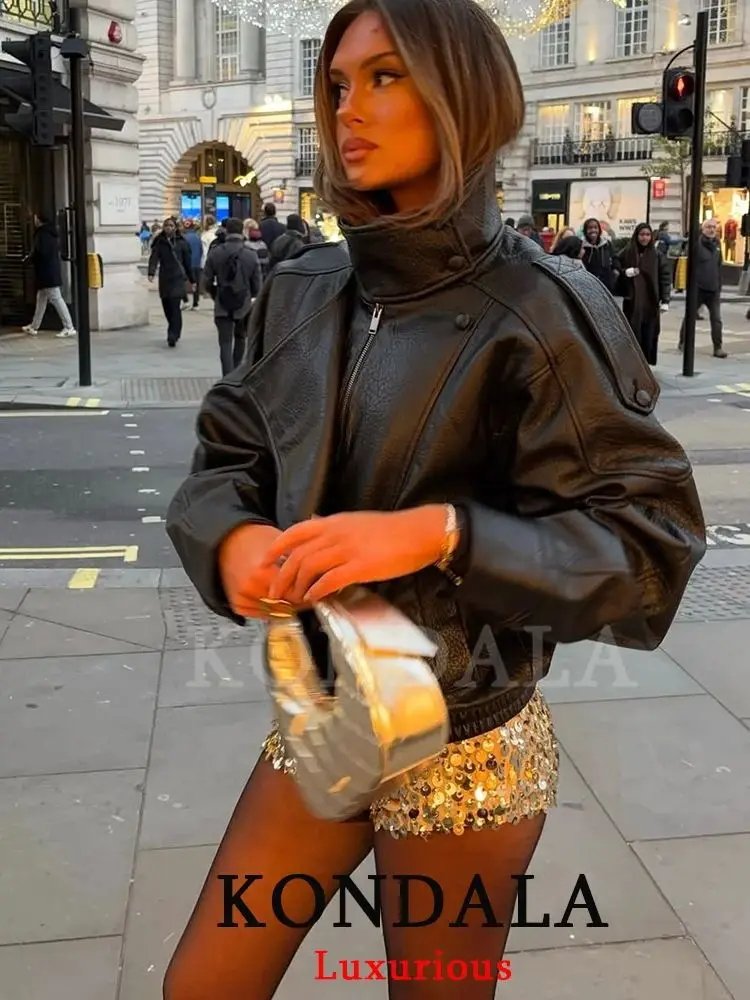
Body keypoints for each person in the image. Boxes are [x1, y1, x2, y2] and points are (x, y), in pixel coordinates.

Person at [163, 1, 706, 997]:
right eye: (337, 84)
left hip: (465, 744)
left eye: (385, 77)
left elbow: (649, 550)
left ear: (461, 95)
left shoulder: (543, 308)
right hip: (328, 711)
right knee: (203, 983)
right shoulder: (304, 287)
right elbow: (227, 458)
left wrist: (443, 534)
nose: (348, 109)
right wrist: (231, 537)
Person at [202, 217, 262, 375]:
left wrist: (215, 293)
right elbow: (257, 285)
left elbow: (206, 280)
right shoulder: (251, 254)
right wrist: (250, 295)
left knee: (225, 343)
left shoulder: (216, 252)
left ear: (226, 230)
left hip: (222, 301)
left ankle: (226, 376)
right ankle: (235, 375)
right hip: (243, 303)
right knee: (241, 338)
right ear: (242, 231)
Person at [616, 222, 671, 366]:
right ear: (637, 235)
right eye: (642, 234)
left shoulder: (657, 255)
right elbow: (615, 264)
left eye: (647, 235)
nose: (645, 238)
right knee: (632, 331)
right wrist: (624, 272)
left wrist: (665, 300)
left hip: (650, 301)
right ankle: (633, 362)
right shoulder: (628, 252)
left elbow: (665, 278)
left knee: (649, 333)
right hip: (633, 301)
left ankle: (646, 363)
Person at [678, 217, 727, 359]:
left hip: (713, 289)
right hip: (698, 288)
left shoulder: (717, 244)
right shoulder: (696, 244)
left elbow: (719, 265)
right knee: (690, 317)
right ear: (703, 229)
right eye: (709, 227)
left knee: (716, 319)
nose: (712, 230)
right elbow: (689, 266)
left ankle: (718, 347)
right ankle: (683, 342)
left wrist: (719, 284)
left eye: (714, 227)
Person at [22, 213, 77, 338]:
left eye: (36, 217)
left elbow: (39, 252)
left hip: (47, 272)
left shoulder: (42, 234)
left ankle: (69, 327)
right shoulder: (51, 233)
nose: (34, 220)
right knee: (41, 299)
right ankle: (34, 326)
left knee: (56, 298)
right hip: (49, 271)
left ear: (39, 220)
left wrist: (29, 260)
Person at [147, 217, 194, 347]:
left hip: (177, 278)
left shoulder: (182, 242)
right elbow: (154, 258)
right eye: (166, 225)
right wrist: (151, 272)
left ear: (175, 227)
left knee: (174, 307)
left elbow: (187, 263)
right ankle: (173, 328)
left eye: (171, 225)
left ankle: (173, 334)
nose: (169, 228)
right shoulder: (159, 242)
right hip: (165, 278)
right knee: (167, 307)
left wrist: (192, 279)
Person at [581, 217, 619, 293]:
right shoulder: (581, 246)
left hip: (606, 283)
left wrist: (616, 269)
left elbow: (614, 257)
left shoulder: (607, 244)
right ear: (585, 230)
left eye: (595, 227)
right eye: (590, 228)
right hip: (588, 284)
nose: (593, 230)